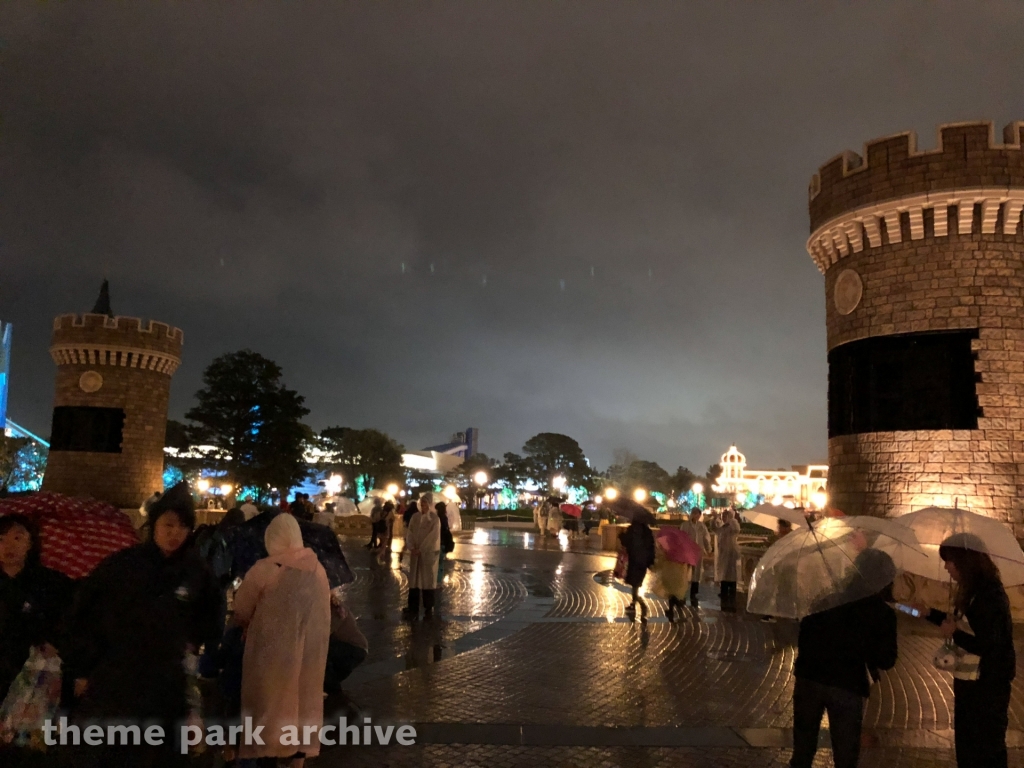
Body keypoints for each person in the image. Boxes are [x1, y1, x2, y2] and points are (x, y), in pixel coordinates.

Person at [66, 482, 221, 765]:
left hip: (167, 685)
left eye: (183, 526)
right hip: (117, 682)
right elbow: (87, 613)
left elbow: (211, 616)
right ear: (154, 524)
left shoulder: (195, 571)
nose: (175, 533)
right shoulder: (123, 566)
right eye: (169, 524)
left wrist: (193, 641)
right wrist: (83, 667)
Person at [233, 513, 331, 768]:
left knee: (272, 714)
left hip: (271, 659)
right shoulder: (318, 570)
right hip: (309, 656)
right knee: (301, 712)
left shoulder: (264, 569)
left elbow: (241, 609)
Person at [790, 550, 898, 768]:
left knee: (802, 751)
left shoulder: (828, 599)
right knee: (845, 754)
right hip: (847, 685)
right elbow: (886, 659)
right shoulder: (881, 613)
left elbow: (805, 633)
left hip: (809, 679)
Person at [920, 534, 1016, 768]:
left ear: (963, 560)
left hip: (987, 686)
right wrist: (929, 613)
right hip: (971, 683)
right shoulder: (973, 591)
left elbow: (989, 643)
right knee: (968, 746)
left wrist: (954, 633)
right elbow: (962, 624)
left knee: (985, 749)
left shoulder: (988, 594)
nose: (946, 567)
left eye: (949, 561)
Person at [0, 514, 73, 706]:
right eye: (1, 539)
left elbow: (69, 618)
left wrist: (54, 641)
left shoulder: (51, 583)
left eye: (17, 538)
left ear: (30, 542)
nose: (9, 545)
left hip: (34, 673)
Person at [402, 497, 441, 620]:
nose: (423, 507)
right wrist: (412, 546)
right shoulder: (415, 517)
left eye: (426, 505)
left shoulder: (434, 519)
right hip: (415, 553)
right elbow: (410, 533)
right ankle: (413, 606)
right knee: (414, 580)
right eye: (422, 504)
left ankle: (428, 606)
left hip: (428, 554)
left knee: (427, 580)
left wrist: (422, 549)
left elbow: (433, 537)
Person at [324, 592, 368, 694]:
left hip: (354, 649)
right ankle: (331, 688)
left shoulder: (334, 610)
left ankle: (331, 689)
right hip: (352, 648)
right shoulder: (334, 605)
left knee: (325, 651)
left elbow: (325, 634)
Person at [619, 519, 656, 622]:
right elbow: (651, 547)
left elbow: (626, 543)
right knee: (636, 583)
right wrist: (650, 562)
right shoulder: (647, 531)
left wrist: (621, 535)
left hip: (634, 560)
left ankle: (639, 603)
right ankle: (634, 603)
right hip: (643, 561)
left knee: (634, 584)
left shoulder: (631, 529)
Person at [651, 534, 693, 624]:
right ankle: (677, 605)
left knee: (671, 593)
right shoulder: (683, 552)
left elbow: (661, 561)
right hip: (679, 577)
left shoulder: (668, 551)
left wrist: (654, 567)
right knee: (676, 593)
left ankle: (672, 609)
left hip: (669, 576)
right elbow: (687, 563)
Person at [679, 508, 712, 607]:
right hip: (687, 551)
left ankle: (694, 593)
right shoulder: (685, 525)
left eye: (697, 514)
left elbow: (706, 538)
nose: (695, 515)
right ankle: (682, 592)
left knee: (696, 572)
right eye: (693, 513)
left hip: (698, 551)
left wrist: (708, 549)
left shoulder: (701, 526)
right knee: (685, 571)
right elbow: (681, 537)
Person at [713, 509, 741, 610]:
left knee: (731, 575)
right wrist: (714, 518)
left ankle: (732, 597)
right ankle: (724, 595)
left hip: (731, 554)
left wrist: (731, 519)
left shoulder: (733, 525)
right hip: (723, 554)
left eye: (725, 516)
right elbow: (715, 529)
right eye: (723, 516)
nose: (724, 518)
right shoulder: (722, 527)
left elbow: (736, 529)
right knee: (724, 575)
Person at [436, 502, 456, 584]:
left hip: (439, 542)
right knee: (440, 563)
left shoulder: (438, 518)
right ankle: (438, 580)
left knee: (438, 562)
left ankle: (437, 580)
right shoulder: (444, 518)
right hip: (443, 542)